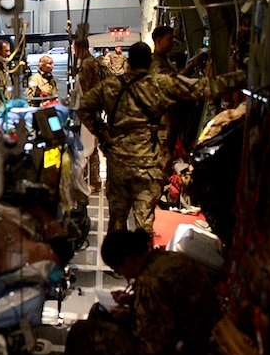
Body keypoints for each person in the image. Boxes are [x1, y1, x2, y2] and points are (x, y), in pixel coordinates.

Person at [42, 228, 223, 355]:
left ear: (129, 261)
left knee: (84, 334)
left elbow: (152, 344)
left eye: (117, 269)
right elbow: (169, 308)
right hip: (194, 348)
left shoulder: (150, 281)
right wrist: (134, 303)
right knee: (98, 312)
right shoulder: (166, 260)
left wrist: (127, 318)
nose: (119, 274)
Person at [77, 41, 246, 235]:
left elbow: (83, 107)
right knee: (144, 224)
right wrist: (243, 76)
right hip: (149, 165)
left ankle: (119, 260)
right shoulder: (160, 84)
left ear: (129, 62)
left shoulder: (110, 87)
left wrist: (103, 134)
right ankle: (142, 260)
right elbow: (204, 87)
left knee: (116, 223)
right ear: (149, 62)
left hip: (118, 164)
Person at [149, 25, 209, 174]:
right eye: (169, 39)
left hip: (170, 120)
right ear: (158, 40)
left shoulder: (164, 61)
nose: (172, 43)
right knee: (162, 161)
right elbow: (175, 85)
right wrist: (192, 66)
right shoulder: (157, 65)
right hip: (163, 122)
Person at [71, 37, 104, 195]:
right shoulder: (93, 62)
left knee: (86, 147)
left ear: (77, 47)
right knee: (90, 146)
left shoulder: (86, 64)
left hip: (87, 111)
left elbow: (84, 92)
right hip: (92, 110)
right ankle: (93, 179)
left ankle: (89, 181)